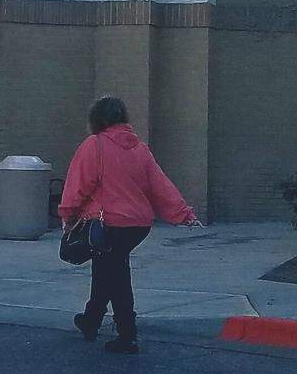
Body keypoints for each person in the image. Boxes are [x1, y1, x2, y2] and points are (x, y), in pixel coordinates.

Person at [59, 96, 202, 354]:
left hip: (108, 223)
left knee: (116, 275)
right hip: (137, 224)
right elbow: (160, 185)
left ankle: (127, 334)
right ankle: (91, 320)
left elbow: (79, 185)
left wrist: (68, 216)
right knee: (108, 269)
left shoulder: (95, 145)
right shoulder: (139, 148)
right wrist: (183, 213)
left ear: (97, 119)